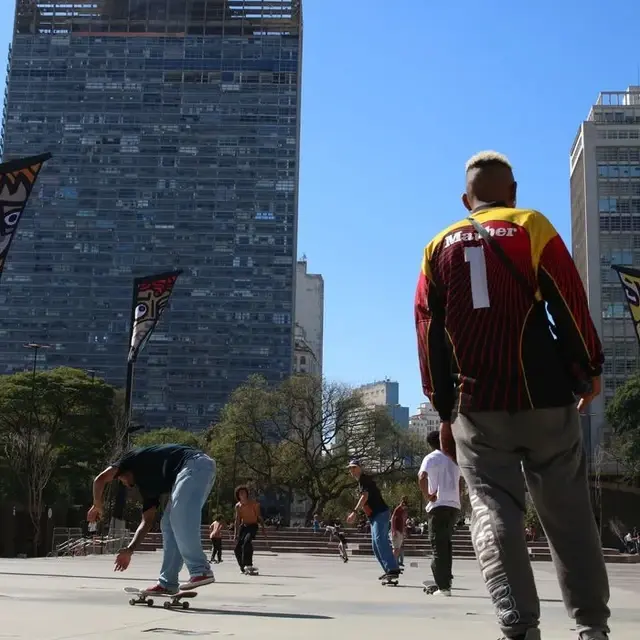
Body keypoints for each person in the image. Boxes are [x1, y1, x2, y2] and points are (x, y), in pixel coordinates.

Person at [414, 151, 610, 640]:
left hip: (477, 406)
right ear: (513, 192)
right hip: (546, 397)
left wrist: (442, 404)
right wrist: (588, 368)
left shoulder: (437, 247)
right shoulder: (531, 226)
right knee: (568, 513)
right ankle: (591, 626)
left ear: (466, 200)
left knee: (492, 506)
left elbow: (427, 330)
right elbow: (569, 299)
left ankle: (518, 623)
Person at [87, 444, 216, 594]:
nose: (123, 484)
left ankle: (200, 570)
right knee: (167, 524)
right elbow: (147, 522)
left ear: (123, 472)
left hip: (194, 464)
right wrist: (129, 550)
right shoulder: (147, 489)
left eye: (120, 480)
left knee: (180, 513)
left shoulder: (131, 460)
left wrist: (97, 505)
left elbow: (100, 479)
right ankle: (167, 583)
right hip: (192, 472)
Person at [418, 430, 461, 596]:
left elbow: (422, 476)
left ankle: (443, 587)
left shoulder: (431, 457)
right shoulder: (455, 458)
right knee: (447, 545)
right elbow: (461, 481)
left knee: (438, 545)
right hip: (454, 506)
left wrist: (427, 495)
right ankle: (447, 581)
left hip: (438, 505)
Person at [346, 459, 399, 579]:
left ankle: (392, 568)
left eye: (354, 467)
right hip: (374, 516)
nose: (352, 470)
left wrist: (354, 512)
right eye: (350, 468)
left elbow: (365, 496)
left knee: (380, 540)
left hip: (380, 513)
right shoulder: (362, 482)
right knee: (375, 545)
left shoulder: (364, 479)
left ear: (360, 468)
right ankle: (389, 570)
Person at [234, 485, 267, 574]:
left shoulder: (254, 504)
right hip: (244, 526)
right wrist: (235, 534)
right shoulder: (238, 506)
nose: (242, 494)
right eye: (240, 493)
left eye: (244, 493)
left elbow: (259, 517)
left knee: (247, 542)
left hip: (253, 526)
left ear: (246, 494)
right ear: (238, 495)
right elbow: (237, 520)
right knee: (237, 549)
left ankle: (249, 564)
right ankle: (242, 567)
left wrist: (263, 529)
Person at [390, 496, 408, 567]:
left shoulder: (402, 511)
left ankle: (395, 563)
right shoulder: (397, 510)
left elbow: (403, 522)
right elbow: (392, 519)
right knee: (396, 548)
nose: (404, 508)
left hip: (400, 532)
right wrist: (393, 530)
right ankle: (392, 563)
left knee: (398, 549)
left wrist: (403, 531)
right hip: (396, 531)